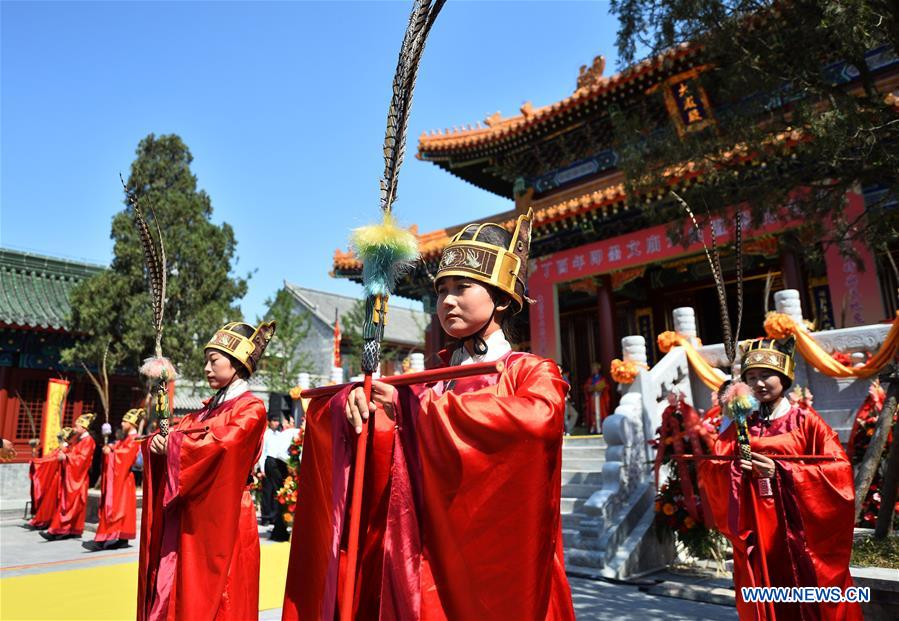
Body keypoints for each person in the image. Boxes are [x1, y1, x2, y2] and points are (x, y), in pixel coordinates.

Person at [283, 210, 576, 620]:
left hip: (491, 570)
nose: (448, 301)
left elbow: (535, 421)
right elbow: (396, 449)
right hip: (421, 555)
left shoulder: (529, 371)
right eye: (441, 291)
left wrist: (416, 410)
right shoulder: (431, 382)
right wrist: (355, 408)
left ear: (501, 298)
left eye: (462, 287)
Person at [699, 337, 862, 620]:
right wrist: (736, 469)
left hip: (798, 524)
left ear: (784, 377)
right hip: (756, 523)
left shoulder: (805, 421)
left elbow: (838, 469)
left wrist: (782, 472)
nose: (759, 383)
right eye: (751, 377)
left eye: (766, 375)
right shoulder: (742, 425)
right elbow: (715, 466)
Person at [137, 320, 275, 621]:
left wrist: (175, 445)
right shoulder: (205, 411)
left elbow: (224, 445)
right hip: (195, 519)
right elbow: (180, 435)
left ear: (237, 362)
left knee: (226, 597)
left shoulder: (251, 409)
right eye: (206, 362)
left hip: (228, 517)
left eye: (213, 360)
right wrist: (160, 442)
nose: (206, 368)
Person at [85, 408, 144, 551]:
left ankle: (104, 538)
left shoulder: (135, 439)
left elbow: (127, 455)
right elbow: (118, 448)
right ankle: (122, 538)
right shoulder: (126, 439)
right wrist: (110, 446)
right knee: (122, 508)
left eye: (125, 421)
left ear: (132, 424)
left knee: (116, 508)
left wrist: (112, 451)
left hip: (123, 479)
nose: (122, 424)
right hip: (122, 480)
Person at [40, 413, 96, 540]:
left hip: (78, 478)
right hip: (73, 477)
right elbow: (73, 452)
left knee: (69, 505)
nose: (75, 428)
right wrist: (64, 448)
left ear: (84, 427)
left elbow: (82, 460)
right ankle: (72, 530)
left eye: (77, 426)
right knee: (71, 505)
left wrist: (66, 457)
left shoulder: (88, 441)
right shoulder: (78, 440)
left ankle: (57, 530)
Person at [27, 427, 73, 530]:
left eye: (60, 437)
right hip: (54, 476)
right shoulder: (59, 448)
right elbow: (49, 458)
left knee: (50, 501)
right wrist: (36, 456)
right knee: (48, 500)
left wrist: (37, 462)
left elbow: (53, 460)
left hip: (59, 477)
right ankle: (44, 519)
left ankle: (46, 520)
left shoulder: (66, 448)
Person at [255, 412, 283, 527]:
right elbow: (262, 453)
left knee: (275, 491)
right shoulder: (266, 435)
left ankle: (273, 516)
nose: (276, 423)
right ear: (269, 422)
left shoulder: (279, 435)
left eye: (277, 421)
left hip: (276, 464)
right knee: (267, 491)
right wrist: (262, 468)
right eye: (274, 421)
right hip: (267, 463)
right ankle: (266, 517)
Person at [582, 361, 610, 433]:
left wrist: (602, 388)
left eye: (594, 369)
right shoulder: (590, 379)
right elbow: (586, 387)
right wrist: (590, 388)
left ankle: (601, 428)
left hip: (600, 398)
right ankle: (594, 428)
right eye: (592, 369)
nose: (593, 370)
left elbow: (606, 387)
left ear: (598, 369)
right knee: (593, 413)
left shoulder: (602, 378)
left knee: (601, 413)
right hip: (593, 398)